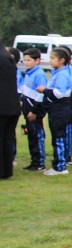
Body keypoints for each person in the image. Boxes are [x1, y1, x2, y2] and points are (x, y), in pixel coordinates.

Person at [42, 47, 72, 176]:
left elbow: (59, 93)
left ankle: (60, 166)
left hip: (60, 109)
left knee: (59, 136)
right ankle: (57, 163)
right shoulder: (57, 73)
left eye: (53, 58)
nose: (50, 61)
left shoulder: (62, 74)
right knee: (56, 136)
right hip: (55, 109)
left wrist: (44, 90)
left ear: (62, 60)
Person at [19, 48, 48, 172]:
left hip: (34, 112)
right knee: (31, 136)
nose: (26, 62)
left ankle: (40, 162)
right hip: (27, 111)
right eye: (24, 60)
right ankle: (34, 161)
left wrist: (35, 111)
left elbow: (40, 95)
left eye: (29, 60)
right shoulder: (28, 73)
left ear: (37, 60)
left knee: (37, 136)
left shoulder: (39, 75)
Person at [0, 39, 19, 179]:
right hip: (12, 105)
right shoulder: (7, 59)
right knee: (7, 139)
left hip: (2, 106)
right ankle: (7, 170)